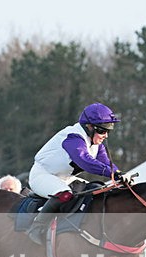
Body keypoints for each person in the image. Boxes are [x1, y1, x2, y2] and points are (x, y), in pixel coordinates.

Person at [26, 102, 128, 245]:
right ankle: (37, 227)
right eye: (102, 131)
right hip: (42, 175)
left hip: (65, 178)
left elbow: (106, 163)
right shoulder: (73, 138)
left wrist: (119, 173)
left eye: (108, 131)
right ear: (90, 127)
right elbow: (84, 161)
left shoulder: (96, 143)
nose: (105, 135)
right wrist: (112, 173)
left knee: (98, 190)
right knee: (64, 194)